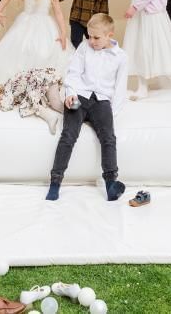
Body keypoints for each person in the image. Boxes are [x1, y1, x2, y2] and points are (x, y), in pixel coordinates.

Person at [46, 13, 127, 202]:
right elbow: (73, 72)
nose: (92, 41)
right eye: (89, 36)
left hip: (101, 100)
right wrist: (70, 93)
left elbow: (120, 88)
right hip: (79, 96)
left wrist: (110, 114)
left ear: (110, 34)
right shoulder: (84, 47)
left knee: (108, 138)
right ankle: (55, 182)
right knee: (68, 135)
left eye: (96, 37)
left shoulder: (121, 57)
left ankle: (111, 184)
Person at [0, 67, 65, 135]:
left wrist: (1, 100)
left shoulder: (7, 89)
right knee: (46, 102)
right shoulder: (11, 87)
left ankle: (52, 118)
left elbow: (6, 106)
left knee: (31, 104)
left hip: (43, 78)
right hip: (42, 79)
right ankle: (63, 113)